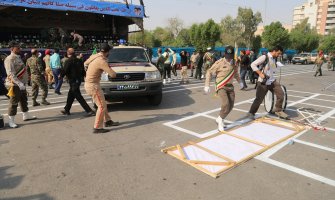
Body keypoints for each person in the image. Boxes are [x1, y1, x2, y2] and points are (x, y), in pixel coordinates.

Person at [84, 43, 120, 134]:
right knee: (101, 106)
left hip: (90, 84)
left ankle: (108, 121)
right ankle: (97, 127)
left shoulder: (94, 56)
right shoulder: (102, 61)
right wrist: (113, 72)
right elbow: (112, 74)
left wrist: (90, 71)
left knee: (102, 103)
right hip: (93, 86)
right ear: (107, 52)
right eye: (109, 51)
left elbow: (85, 63)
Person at [204, 46, 241, 131]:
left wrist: (240, 82)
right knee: (225, 104)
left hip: (230, 86)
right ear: (225, 54)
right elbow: (209, 72)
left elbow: (235, 73)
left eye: (230, 57)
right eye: (227, 57)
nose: (229, 59)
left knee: (231, 106)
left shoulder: (234, 62)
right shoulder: (219, 63)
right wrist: (207, 85)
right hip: (221, 86)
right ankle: (220, 121)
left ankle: (220, 118)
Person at [246, 46, 288, 119]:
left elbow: (272, 69)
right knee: (259, 99)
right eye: (278, 53)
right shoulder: (264, 57)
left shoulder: (274, 59)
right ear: (274, 51)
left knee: (281, 94)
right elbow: (253, 64)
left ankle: (278, 110)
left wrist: (277, 66)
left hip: (272, 81)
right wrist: (260, 73)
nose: (279, 55)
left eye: (280, 54)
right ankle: (251, 113)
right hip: (263, 82)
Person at [4, 41, 36, 128]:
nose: (20, 49)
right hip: (14, 85)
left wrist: (25, 81)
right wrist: (18, 83)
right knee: (14, 102)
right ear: (12, 49)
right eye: (17, 48)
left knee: (23, 100)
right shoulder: (10, 59)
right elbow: (10, 74)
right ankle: (11, 121)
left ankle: (26, 115)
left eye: (19, 47)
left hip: (21, 83)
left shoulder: (17, 57)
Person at [60, 48, 95, 116]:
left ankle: (89, 110)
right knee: (71, 95)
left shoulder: (68, 61)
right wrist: (84, 76)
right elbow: (83, 70)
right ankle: (66, 109)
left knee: (78, 96)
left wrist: (60, 76)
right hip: (78, 80)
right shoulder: (79, 60)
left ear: (68, 53)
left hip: (72, 80)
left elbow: (65, 70)